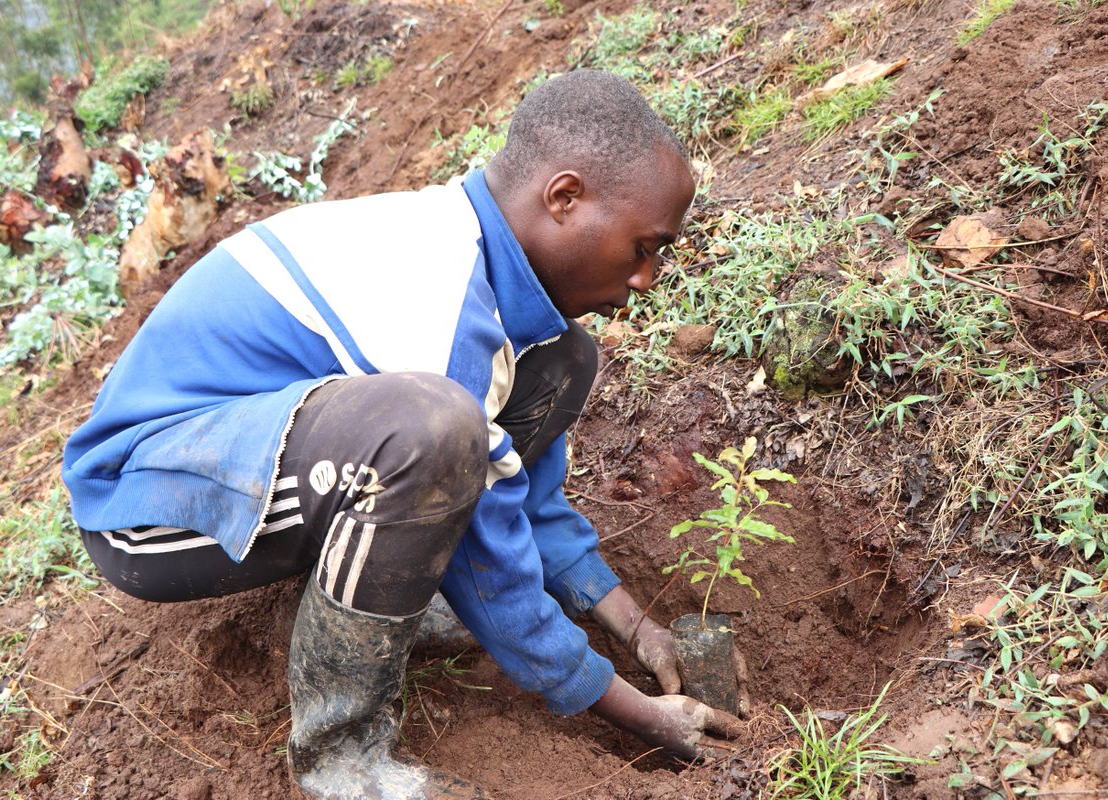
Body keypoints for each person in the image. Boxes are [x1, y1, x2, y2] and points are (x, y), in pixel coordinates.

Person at [61, 69, 743, 800]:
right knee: (432, 431)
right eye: (644, 247)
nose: (648, 278)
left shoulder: (490, 275)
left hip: (271, 458)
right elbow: (489, 547)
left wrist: (638, 630)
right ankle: (342, 759)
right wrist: (635, 712)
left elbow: (522, 500)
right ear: (565, 197)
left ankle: (365, 597)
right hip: (147, 498)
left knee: (563, 359)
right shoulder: (437, 291)